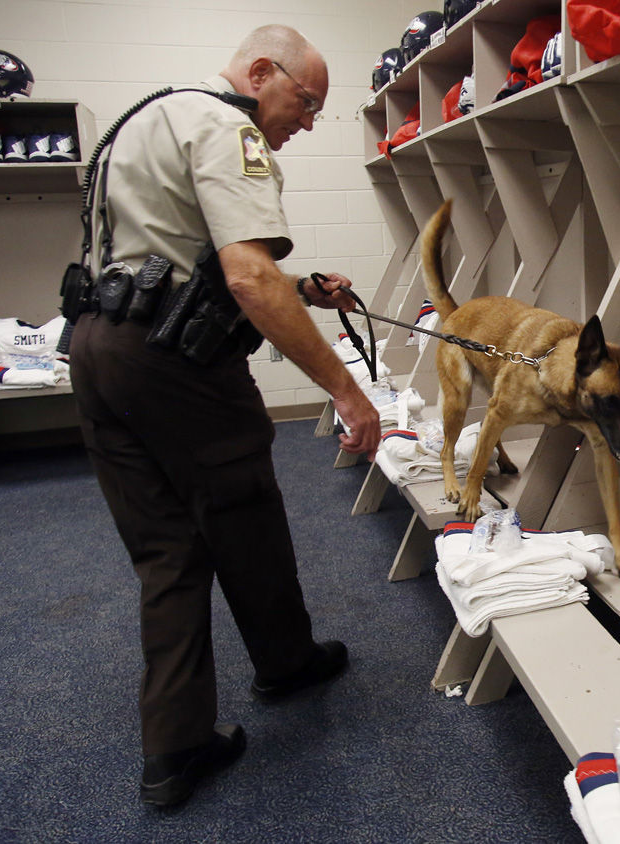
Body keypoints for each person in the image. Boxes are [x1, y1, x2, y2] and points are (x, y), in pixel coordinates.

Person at [68, 24, 381, 807]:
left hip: (97, 350)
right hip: (178, 368)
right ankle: (287, 665)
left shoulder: (142, 118)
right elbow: (245, 277)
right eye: (305, 102)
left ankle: (173, 752)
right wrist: (346, 388)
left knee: (167, 553)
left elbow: (177, 255)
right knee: (245, 514)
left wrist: (303, 286)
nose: (307, 123)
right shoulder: (227, 125)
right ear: (262, 70)